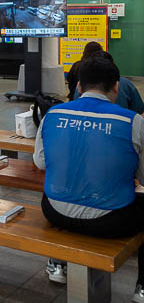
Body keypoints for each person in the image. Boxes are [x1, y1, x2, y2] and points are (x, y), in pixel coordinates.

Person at [34, 53, 144, 301]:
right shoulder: (133, 122)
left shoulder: (52, 114)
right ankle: (142, 287)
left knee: (61, 184)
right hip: (111, 220)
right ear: (116, 87)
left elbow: (40, 162)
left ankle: (57, 263)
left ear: (79, 86)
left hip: (54, 210)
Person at [68, 42, 144, 113]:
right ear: (116, 87)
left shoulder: (60, 112)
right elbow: (139, 110)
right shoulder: (125, 85)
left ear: (79, 86)